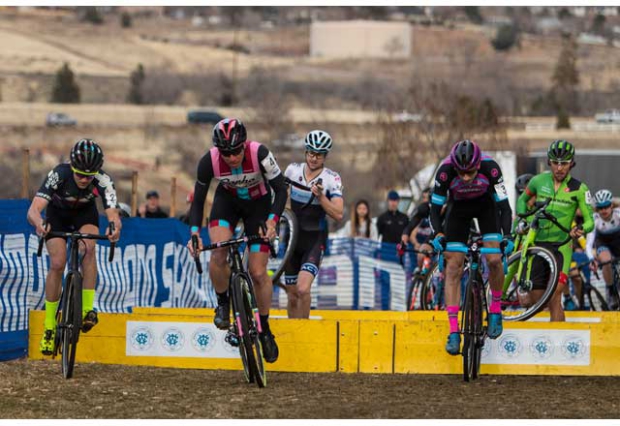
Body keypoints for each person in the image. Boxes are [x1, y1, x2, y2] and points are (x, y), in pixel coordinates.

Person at [187, 118, 287, 363]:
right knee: (218, 253)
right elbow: (198, 200)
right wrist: (194, 233)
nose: (231, 157)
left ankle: (264, 328)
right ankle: (223, 303)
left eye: (235, 151)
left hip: (258, 206)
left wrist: (272, 221)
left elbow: (281, 190)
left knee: (258, 272)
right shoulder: (209, 161)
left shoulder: (260, 153)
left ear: (244, 144)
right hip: (227, 204)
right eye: (226, 153)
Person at [26, 138, 122, 355]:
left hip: (84, 215)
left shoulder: (103, 180)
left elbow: (113, 214)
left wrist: (114, 228)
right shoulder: (59, 174)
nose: (84, 180)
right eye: (80, 174)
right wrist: (40, 223)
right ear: (72, 167)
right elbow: (33, 210)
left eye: (89, 176)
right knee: (58, 263)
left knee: (89, 249)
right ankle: (49, 325)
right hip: (57, 215)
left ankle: (87, 308)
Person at [429, 139, 513, 355]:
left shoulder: (491, 168)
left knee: (494, 259)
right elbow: (434, 209)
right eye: (461, 173)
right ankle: (453, 331)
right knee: (453, 266)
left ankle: (495, 310)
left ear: (478, 165)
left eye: (470, 172)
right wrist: (437, 234)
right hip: (459, 210)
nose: (466, 177)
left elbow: (505, 207)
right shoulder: (445, 172)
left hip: (486, 207)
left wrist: (507, 236)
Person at [515, 139, 594, 321]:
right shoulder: (538, 181)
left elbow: (590, 221)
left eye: (564, 163)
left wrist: (581, 228)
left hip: (561, 247)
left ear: (571, 163)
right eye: (555, 163)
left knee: (554, 295)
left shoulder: (580, 189)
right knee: (538, 299)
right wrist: (525, 219)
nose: (559, 168)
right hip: (538, 244)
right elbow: (522, 201)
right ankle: (556, 330)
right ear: (549, 162)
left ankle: (558, 334)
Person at [283, 130, 344, 319]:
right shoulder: (292, 170)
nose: (313, 158)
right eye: (310, 153)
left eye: (318, 155)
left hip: (314, 238)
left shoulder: (331, 178)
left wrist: (321, 197)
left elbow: (338, 213)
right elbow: (281, 199)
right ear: (306, 152)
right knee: (292, 295)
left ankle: (305, 329)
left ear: (325, 156)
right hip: (292, 238)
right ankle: (294, 332)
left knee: (302, 289)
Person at [585, 189, 620, 309]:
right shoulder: (594, 219)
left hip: (618, 242)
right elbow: (589, 244)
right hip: (603, 243)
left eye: (606, 206)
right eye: (600, 208)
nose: (603, 210)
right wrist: (591, 259)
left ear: (611, 205)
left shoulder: (618, 214)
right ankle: (611, 291)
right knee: (606, 261)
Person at [399, 188, 433, 270]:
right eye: (424, 197)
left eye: (426, 198)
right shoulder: (423, 209)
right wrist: (408, 237)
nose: (425, 200)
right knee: (420, 260)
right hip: (419, 244)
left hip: (434, 241)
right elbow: (411, 228)